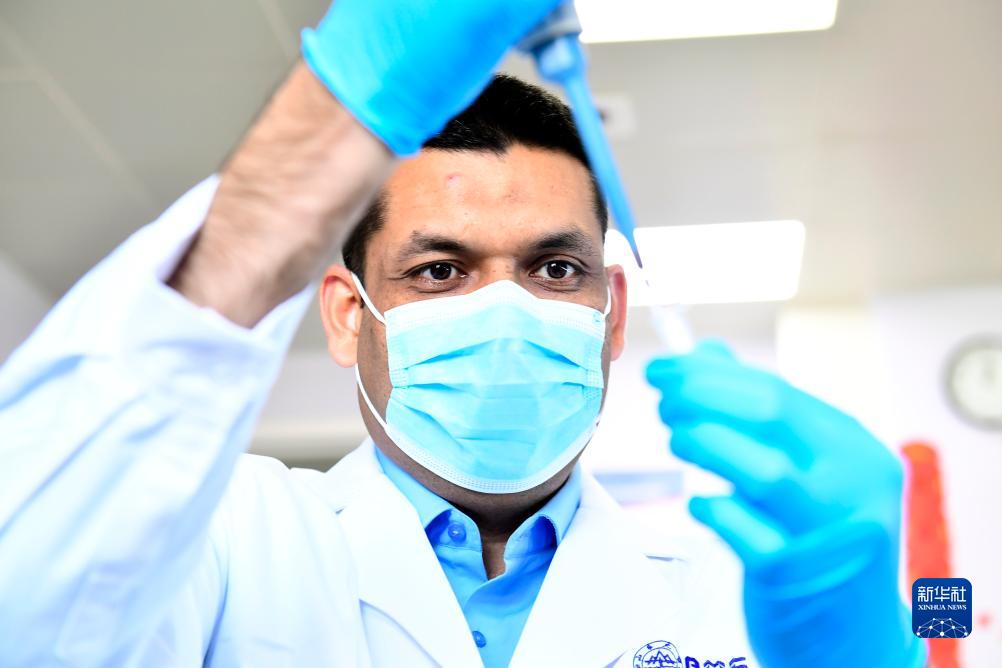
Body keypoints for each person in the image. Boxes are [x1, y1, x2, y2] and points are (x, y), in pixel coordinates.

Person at [0, 1, 925, 667]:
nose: (508, 311)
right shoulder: (221, 544)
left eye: (553, 270)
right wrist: (313, 142)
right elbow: (28, 623)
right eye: (440, 270)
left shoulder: (737, 598)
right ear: (348, 314)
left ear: (611, 316)